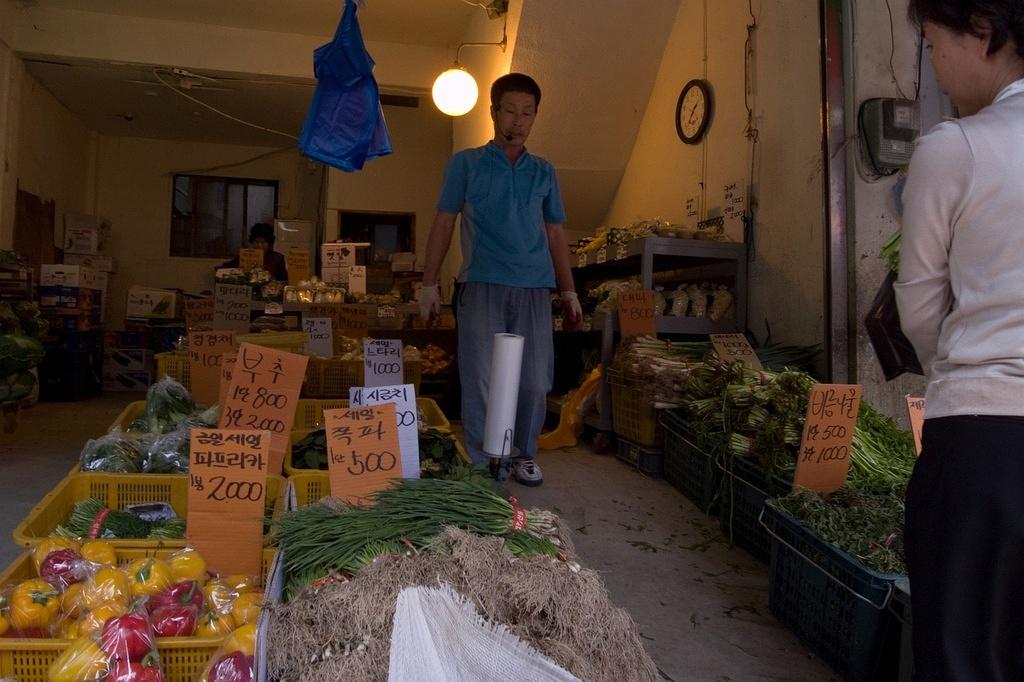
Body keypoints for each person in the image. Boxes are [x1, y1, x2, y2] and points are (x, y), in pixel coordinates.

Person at [895, 1, 1024, 678]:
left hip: (984, 442)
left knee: (963, 655)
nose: (937, 68)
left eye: (936, 45)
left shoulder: (958, 146)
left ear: (983, 32)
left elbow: (918, 308)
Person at [418, 73, 582, 487]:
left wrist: (569, 291)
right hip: (481, 284)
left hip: (534, 288)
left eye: (527, 113)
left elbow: (557, 233)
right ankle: (485, 459)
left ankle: (524, 453)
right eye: (510, 110)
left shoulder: (544, 172)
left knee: (534, 379)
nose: (518, 120)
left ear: (534, 118)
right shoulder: (465, 163)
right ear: (493, 112)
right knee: (480, 377)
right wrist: (428, 283)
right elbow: (443, 221)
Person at [222, 222, 288, 281]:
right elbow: (226, 267)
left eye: (263, 242)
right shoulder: (246, 255)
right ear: (252, 242)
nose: (259, 245)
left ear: (269, 243)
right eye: (256, 242)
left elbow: (283, 280)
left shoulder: (277, 258)